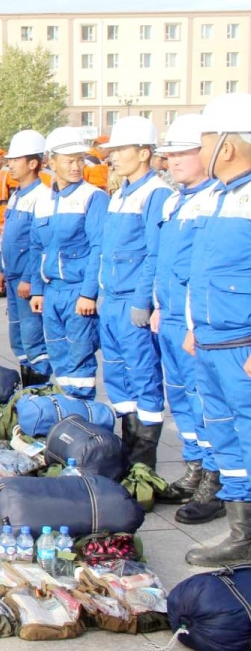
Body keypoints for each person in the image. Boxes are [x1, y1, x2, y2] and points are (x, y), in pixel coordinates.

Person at [181, 93, 251, 567]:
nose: (199, 154)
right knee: (225, 434)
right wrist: (191, 324)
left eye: (204, 144)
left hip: (241, 344)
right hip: (210, 339)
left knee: (248, 434)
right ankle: (240, 532)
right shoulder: (220, 198)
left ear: (227, 146)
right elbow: (200, 273)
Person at [150, 115, 221, 522]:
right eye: (170, 154)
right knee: (181, 396)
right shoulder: (177, 199)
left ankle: (216, 478)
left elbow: (203, 269)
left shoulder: (213, 199)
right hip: (171, 314)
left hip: (195, 319)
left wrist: (195, 322)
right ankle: (194, 468)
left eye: (182, 153)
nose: (173, 160)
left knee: (205, 399)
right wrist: (160, 304)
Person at [97, 116, 173, 469]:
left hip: (131, 302)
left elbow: (154, 254)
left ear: (144, 153)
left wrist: (143, 301)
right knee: (116, 376)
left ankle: (143, 463)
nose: (113, 156)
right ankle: (127, 455)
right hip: (111, 301)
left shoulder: (156, 193)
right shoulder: (120, 194)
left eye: (121, 150)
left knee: (143, 377)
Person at [29, 127, 109, 399]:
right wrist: (38, 290)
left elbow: (99, 247)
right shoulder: (42, 200)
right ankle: (65, 411)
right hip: (52, 292)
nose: (77, 166)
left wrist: (88, 294)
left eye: (80, 160)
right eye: (69, 160)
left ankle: (81, 416)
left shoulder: (92, 197)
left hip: (77, 292)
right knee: (58, 354)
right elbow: (37, 248)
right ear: (51, 162)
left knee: (80, 357)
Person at [0, 130, 53, 385]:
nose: (10, 165)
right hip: (12, 278)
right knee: (18, 337)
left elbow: (38, 245)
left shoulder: (42, 197)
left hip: (26, 281)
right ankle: (27, 391)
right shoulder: (17, 195)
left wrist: (29, 279)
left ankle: (38, 392)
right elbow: (6, 236)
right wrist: (0, 268)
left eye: (15, 160)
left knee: (33, 338)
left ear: (32, 163)